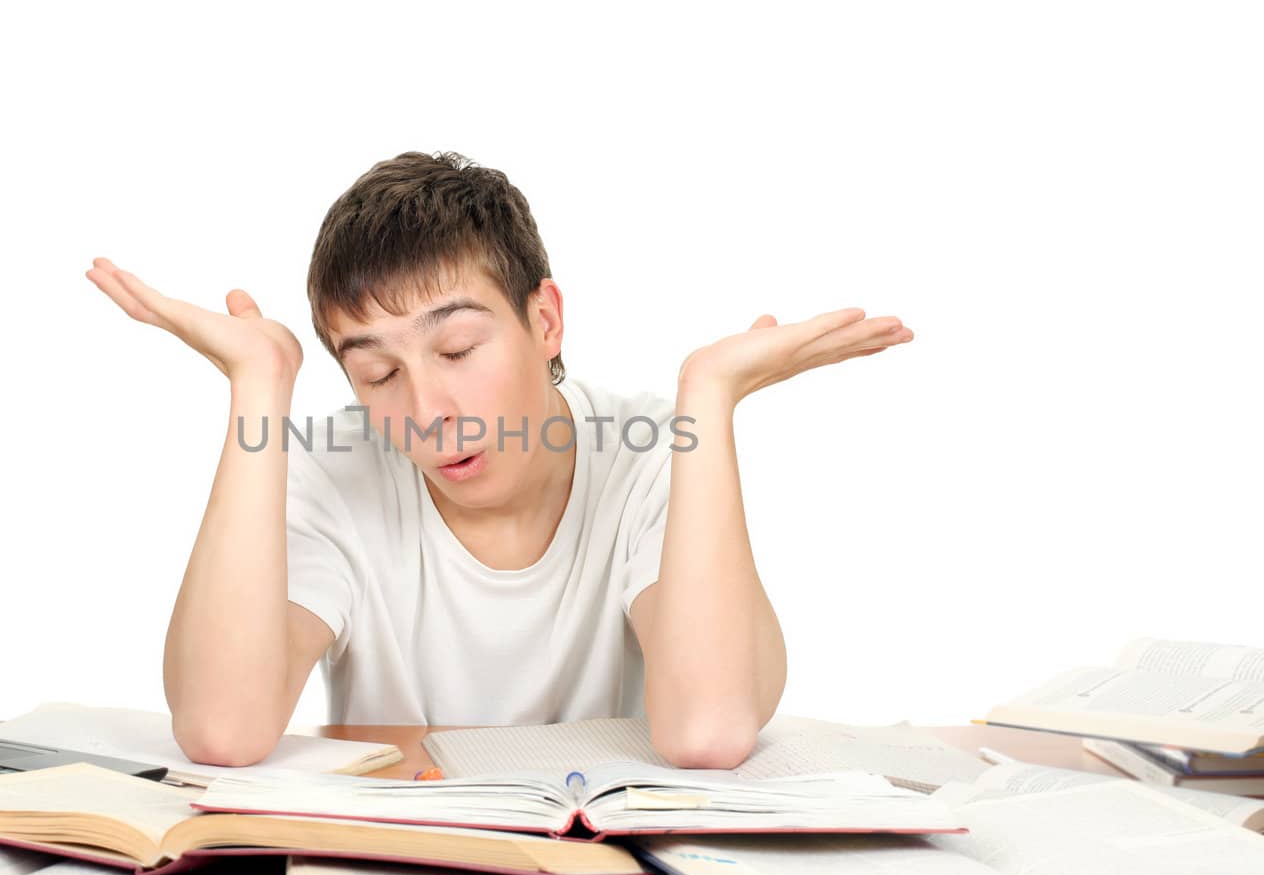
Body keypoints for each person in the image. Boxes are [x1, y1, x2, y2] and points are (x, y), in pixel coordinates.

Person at [85, 150, 913, 769]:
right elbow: (220, 730)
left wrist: (709, 396)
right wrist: (256, 384)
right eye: (377, 372)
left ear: (544, 320)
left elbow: (712, 728)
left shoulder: (654, 456)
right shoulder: (336, 470)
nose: (426, 411)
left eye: (456, 348)